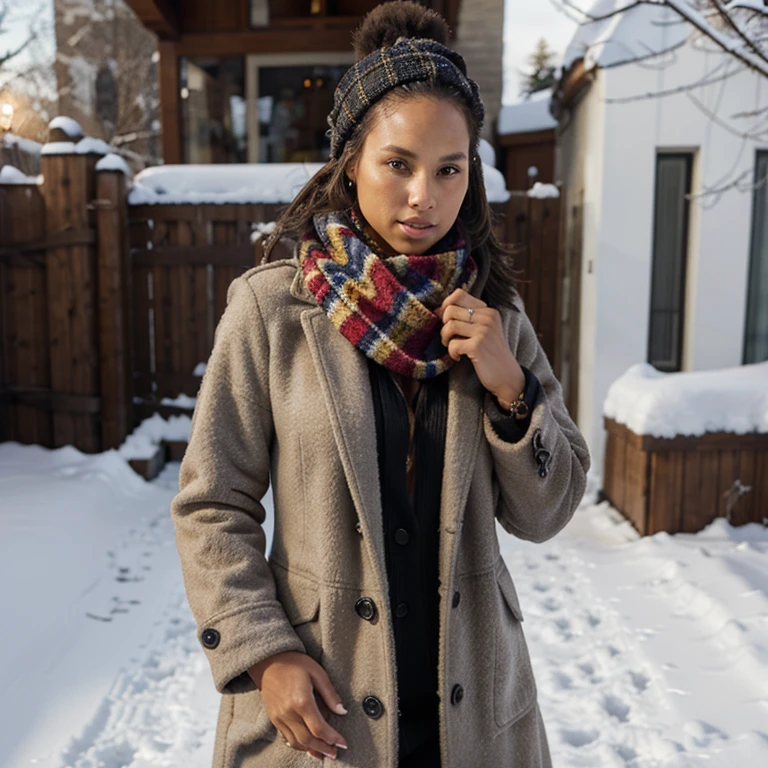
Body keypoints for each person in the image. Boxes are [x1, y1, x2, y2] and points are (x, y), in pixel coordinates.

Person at [170, 3, 591, 767]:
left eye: (448, 169)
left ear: (473, 174)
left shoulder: (497, 317)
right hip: (323, 710)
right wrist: (263, 654)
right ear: (350, 162)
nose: (422, 196)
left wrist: (511, 391)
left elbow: (549, 510)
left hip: (471, 716)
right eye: (397, 163)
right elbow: (211, 502)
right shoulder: (274, 309)